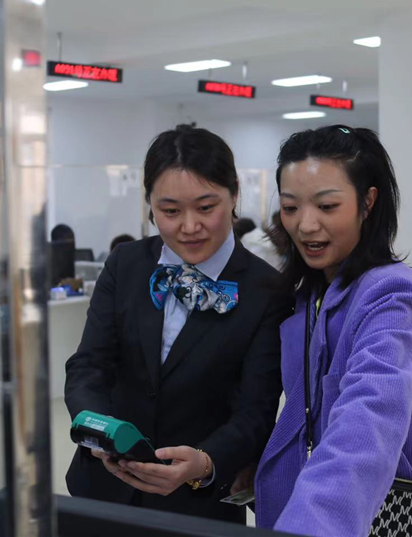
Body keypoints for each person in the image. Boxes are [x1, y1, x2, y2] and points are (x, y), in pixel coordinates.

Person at [64, 124, 290, 524]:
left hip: (196, 505)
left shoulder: (266, 290)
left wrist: (205, 462)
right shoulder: (126, 264)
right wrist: (99, 433)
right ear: (149, 204)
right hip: (102, 488)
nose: (189, 226)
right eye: (170, 211)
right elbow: (88, 366)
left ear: (234, 194)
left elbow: (255, 413)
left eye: (206, 207)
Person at [254, 125, 412, 537]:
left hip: (368, 513)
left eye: (327, 206)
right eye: (290, 207)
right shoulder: (311, 290)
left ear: (368, 202)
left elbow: (369, 419)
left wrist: (314, 523)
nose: (305, 225)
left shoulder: (390, 294)